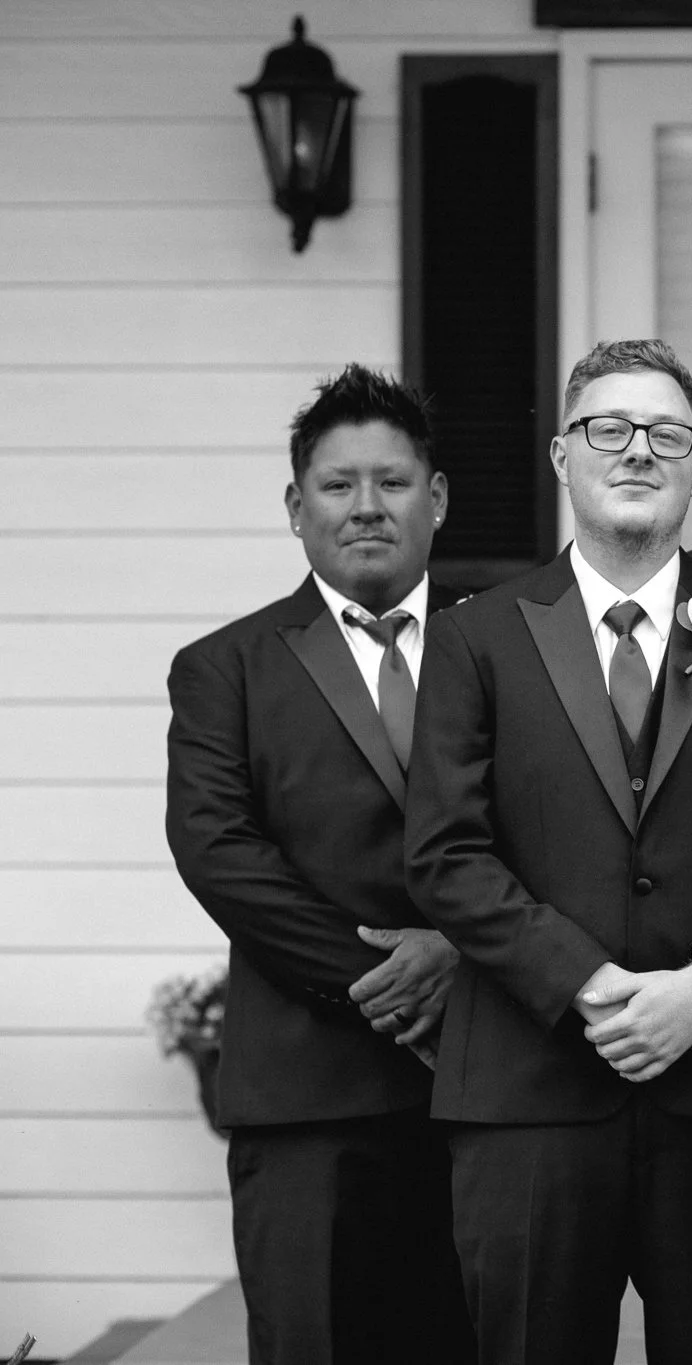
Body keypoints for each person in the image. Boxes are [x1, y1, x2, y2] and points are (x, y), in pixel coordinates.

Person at [404, 339, 692, 1365]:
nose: (637, 449)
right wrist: (587, 983)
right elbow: (446, 852)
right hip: (529, 1092)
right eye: (608, 428)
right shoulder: (476, 638)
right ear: (560, 455)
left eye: (666, 433)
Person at [165, 365, 473, 1365]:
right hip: (307, 1097)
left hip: (490, 1092)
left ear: (435, 497)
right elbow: (220, 852)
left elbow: (563, 835)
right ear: (297, 508)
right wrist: (387, 983)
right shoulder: (226, 667)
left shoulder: (511, 645)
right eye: (339, 486)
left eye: (392, 482)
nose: (367, 507)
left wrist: (462, 957)